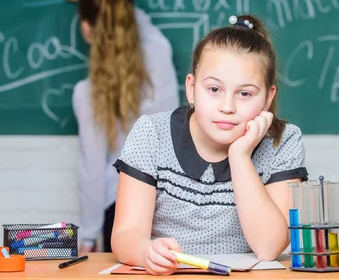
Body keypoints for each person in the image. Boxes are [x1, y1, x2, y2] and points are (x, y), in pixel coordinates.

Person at [111, 14, 308, 275]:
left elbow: (268, 247)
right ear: (191, 88)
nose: (227, 107)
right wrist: (146, 251)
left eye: (245, 94)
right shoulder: (152, 133)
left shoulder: (284, 141)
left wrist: (239, 156)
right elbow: (126, 233)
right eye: (214, 89)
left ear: (268, 98)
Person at [55, 0, 180, 253]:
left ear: (87, 28)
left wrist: (87, 235)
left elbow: (93, 171)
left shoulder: (88, 94)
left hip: (122, 211)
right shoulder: (159, 52)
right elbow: (138, 22)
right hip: (171, 203)